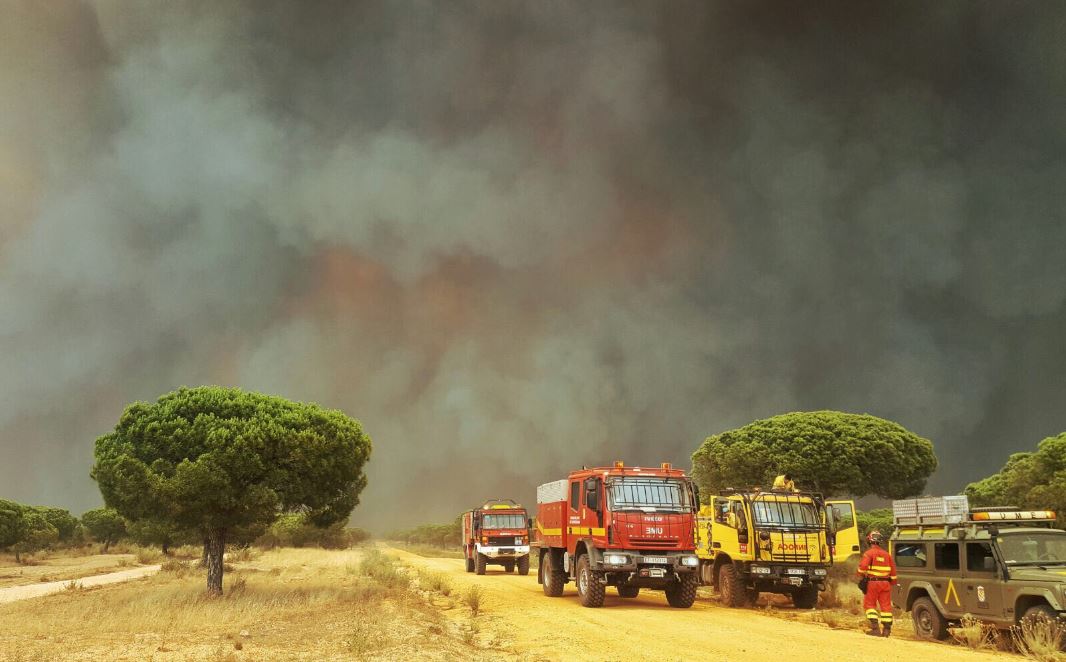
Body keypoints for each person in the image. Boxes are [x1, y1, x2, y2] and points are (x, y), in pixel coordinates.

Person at [857, 530, 897, 637]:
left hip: (873, 583)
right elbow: (893, 573)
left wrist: (860, 576)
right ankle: (887, 630)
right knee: (886, 607)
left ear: (869, 541)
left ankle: (875, 629)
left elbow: (862, 569)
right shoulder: (887, 555)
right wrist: (892, 582)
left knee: (869, 605)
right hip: (886, 584)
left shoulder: (868, 554)